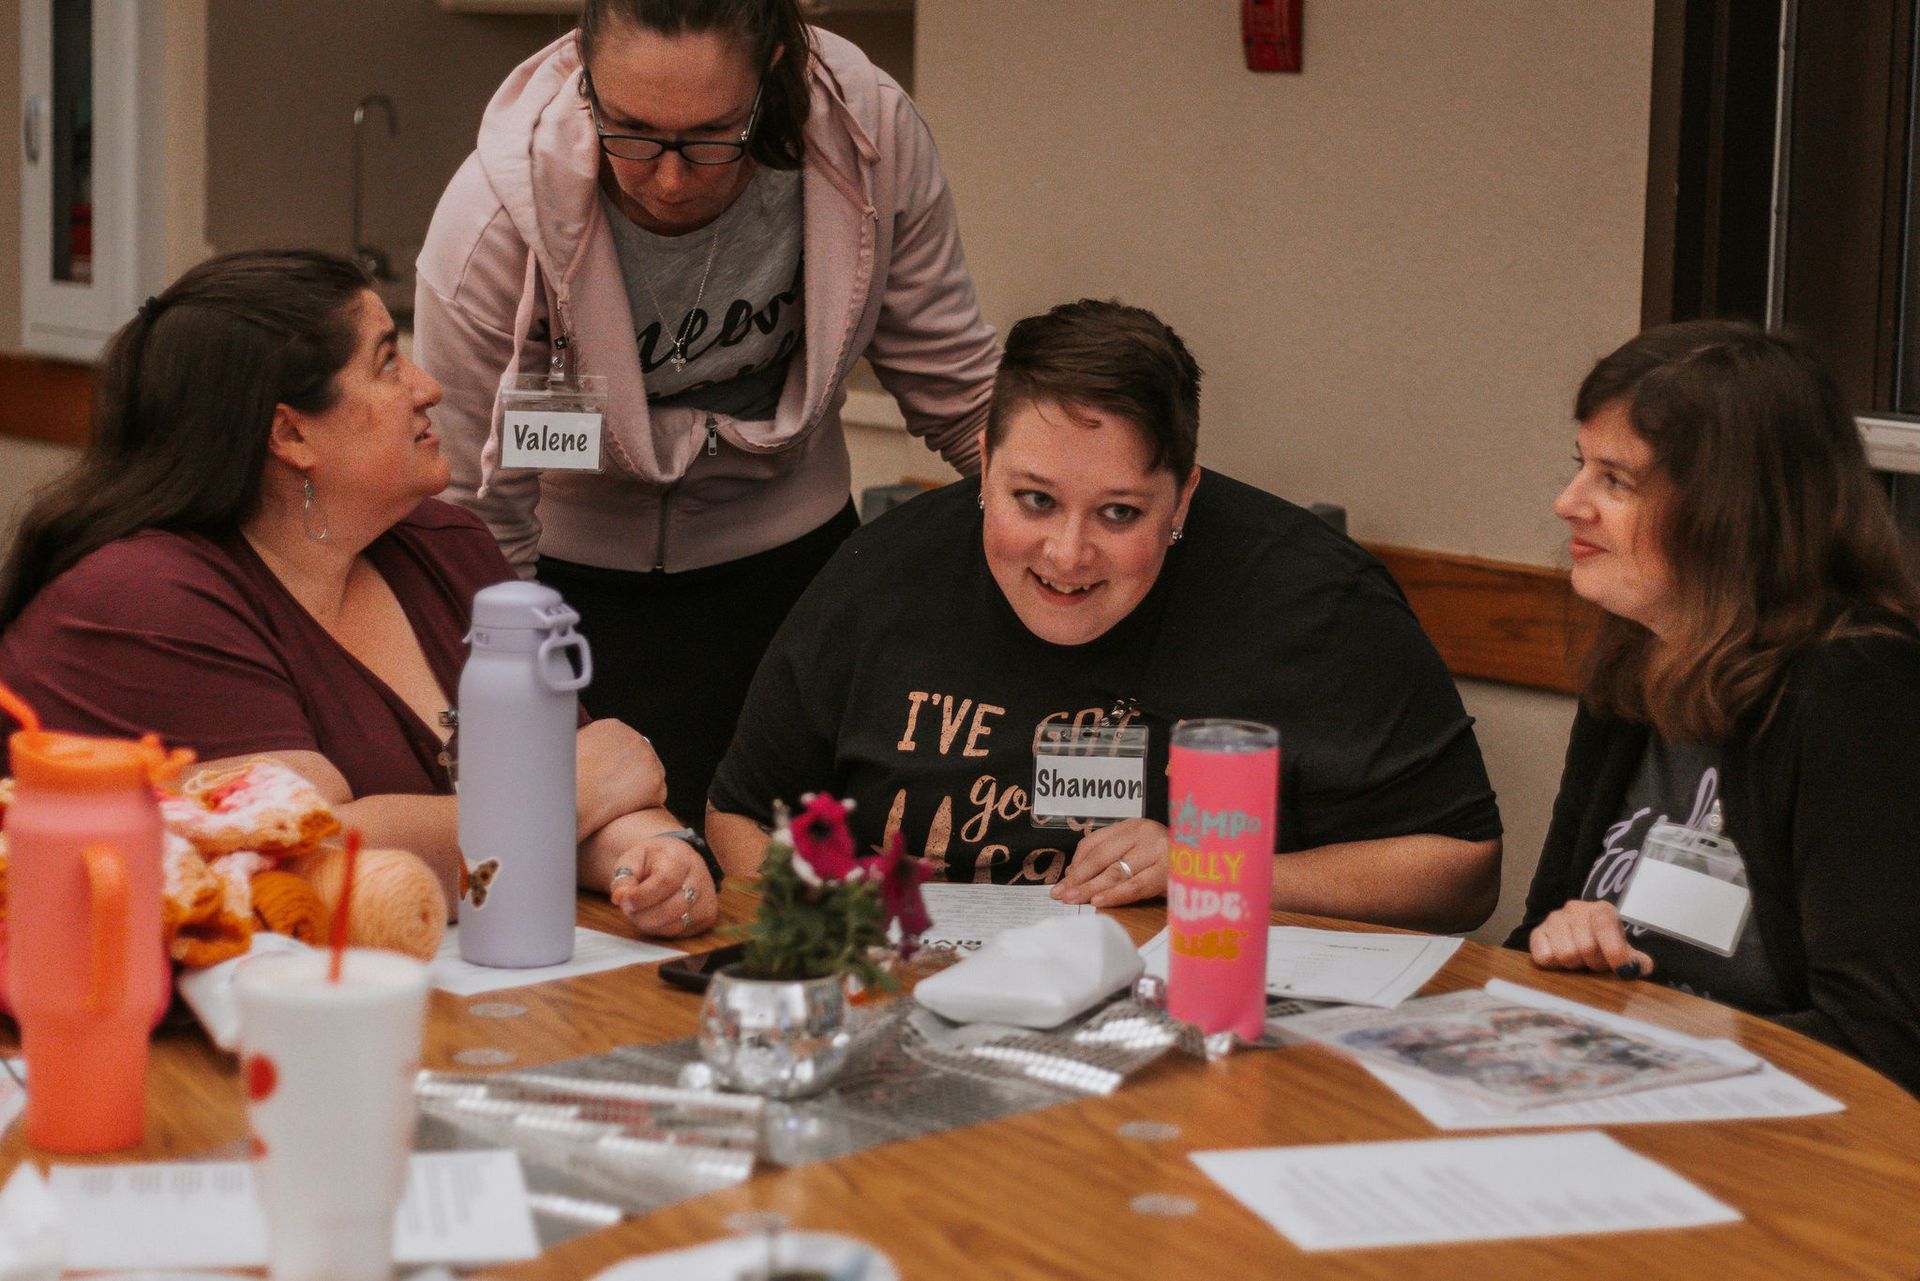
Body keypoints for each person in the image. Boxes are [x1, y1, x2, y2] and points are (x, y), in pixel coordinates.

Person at [706, 300, 1503, 932]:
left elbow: (1462, 868)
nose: (1066, 554)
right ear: (985, 468)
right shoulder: (882, 574)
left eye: (1119, 513)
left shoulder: (1313, 601)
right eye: (1034, 500)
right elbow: (743, 810)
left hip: (1203, 1028)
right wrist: (826, 928)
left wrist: (1212, 867)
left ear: (1183, 497)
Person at [0, 250, 716, 939]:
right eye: (386, 363)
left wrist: (655, 854)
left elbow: (608, 790)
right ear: (291, 433)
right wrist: (560, 795)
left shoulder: (446, 545)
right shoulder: (141, 596)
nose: (426, 385)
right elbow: (310, 860)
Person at [414, 0, 999, 831]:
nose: (669, 177)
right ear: (584, 72)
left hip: (793, 575)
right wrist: (530, 740)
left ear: (773, 79)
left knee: (803, 894)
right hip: (569, 598)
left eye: (711, 136)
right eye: (633, 131)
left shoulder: (866, 140)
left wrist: (1073, 539)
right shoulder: (496, 224)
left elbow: (963, 390)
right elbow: (472, 525)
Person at [1509, 319, 1920, 1094]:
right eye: (1579, 467)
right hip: (1626, 1103)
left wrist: (1636, 1037)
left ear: (1731, 511)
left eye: (1616, 480)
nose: (1568, 502)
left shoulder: (1861, 695)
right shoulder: (1636, 656)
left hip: (1790, 1154)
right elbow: (1531, 935)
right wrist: (1563, 949)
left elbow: (1881, 1042)